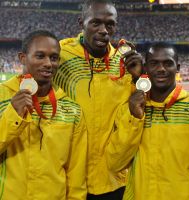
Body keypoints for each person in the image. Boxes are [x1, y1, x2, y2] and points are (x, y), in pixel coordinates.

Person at [105, 42, 189, 200]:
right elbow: (114, 164)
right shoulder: (131, 110)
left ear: (177, 68)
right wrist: (135, 119)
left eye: (168, 63)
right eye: (154, 63)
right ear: (146, 68)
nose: (161, 69)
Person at [52, 0, 143, 199]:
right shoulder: (59, 55)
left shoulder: (125, 62)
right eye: (95, 23)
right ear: (81, 22)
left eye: (110, 24)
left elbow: (142, 107)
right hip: (70, 179)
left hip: (113, 179)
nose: (103, 30)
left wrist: (140, 77)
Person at [0, 30, 87, 200]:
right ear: (22, 58)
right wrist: (13, 116)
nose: (48, 63)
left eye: (54, 58)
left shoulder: (72, 110)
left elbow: (76, 174)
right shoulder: (2, 97)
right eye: (40, 56)